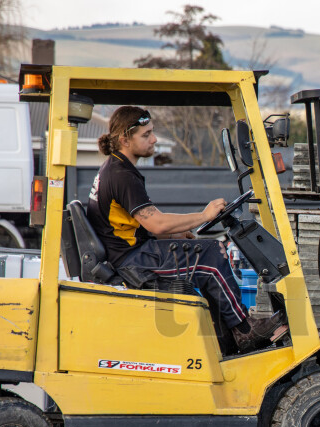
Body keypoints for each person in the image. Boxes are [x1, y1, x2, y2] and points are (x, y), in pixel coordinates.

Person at [88, 105, 286, 352]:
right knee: (212, 253)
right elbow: (156, 223)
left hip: (131, 252)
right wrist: (203, 215)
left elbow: (140, 224)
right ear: (124, 140)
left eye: (152, 132)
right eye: (146, 134)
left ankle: (227, 339)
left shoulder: (115, 168)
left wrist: (175, 233)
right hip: (132, 261)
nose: (154, 139)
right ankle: (244, 331)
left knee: (204, 253)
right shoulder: (121, 175)